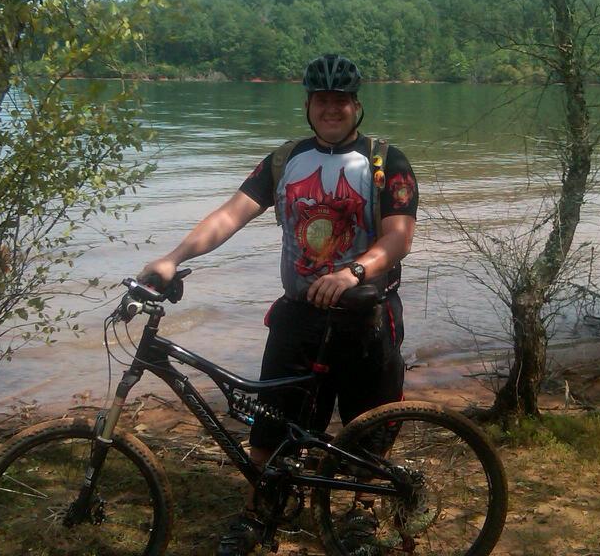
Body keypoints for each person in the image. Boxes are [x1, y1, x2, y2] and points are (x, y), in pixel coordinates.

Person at [139, 53, 419, 556]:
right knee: (272, 425)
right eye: (321, 101)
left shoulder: (386, 161)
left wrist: (354, 270)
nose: (331, 109)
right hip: (298, 316)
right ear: (308, 106)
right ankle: (259, 512)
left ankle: (362, 515)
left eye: (340, 101)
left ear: (357, 106)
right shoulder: (284, 160)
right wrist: (173, 257)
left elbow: (398, 238)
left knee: (368, 426)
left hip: (366, 316)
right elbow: (231, 214)